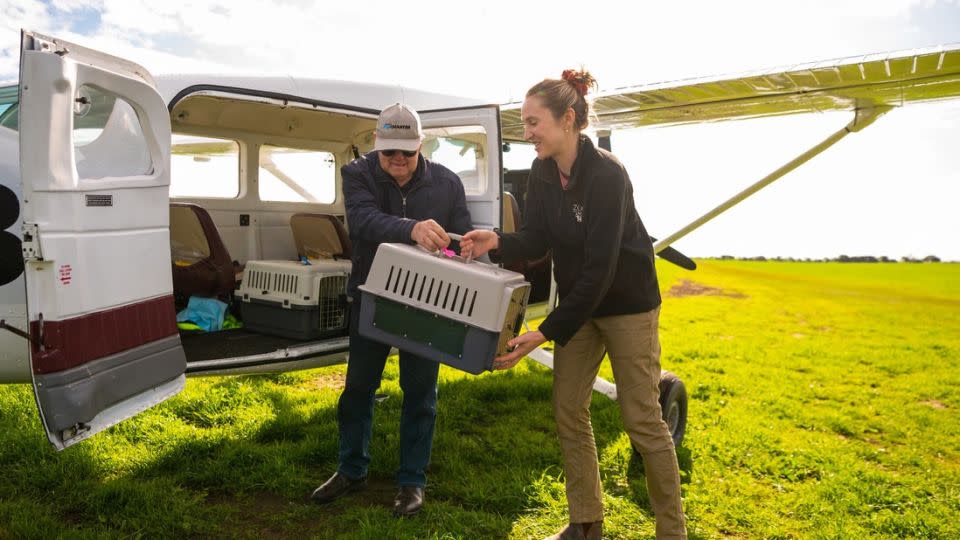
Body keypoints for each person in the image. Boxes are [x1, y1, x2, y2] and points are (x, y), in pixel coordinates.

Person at [461, 70, 687, 539]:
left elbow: (601, 270)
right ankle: (586, 524)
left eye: (533, 122)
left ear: (568, 120)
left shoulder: (607, 174)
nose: (527, 133)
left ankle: (672, 530)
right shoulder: (543, 172)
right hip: (580, 307)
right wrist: (496, 241)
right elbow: (539, 238)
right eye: (523, 123)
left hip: (626, 304)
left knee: (641, 419)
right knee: (568, 408)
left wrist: (543, 333)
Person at [311, 103, 473, 517]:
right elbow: (363, 221)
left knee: (420, 392)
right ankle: (351, 469)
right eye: (389, 153)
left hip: (426, 303)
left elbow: (459, 234)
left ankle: (412, 482)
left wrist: (463, 247)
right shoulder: (358, 173)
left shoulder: (448, 182)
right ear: (376, 145)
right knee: (358, 389)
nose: (398, 161)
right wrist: (412, 229)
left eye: (407, 152)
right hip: (372, 296)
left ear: (421, 145)